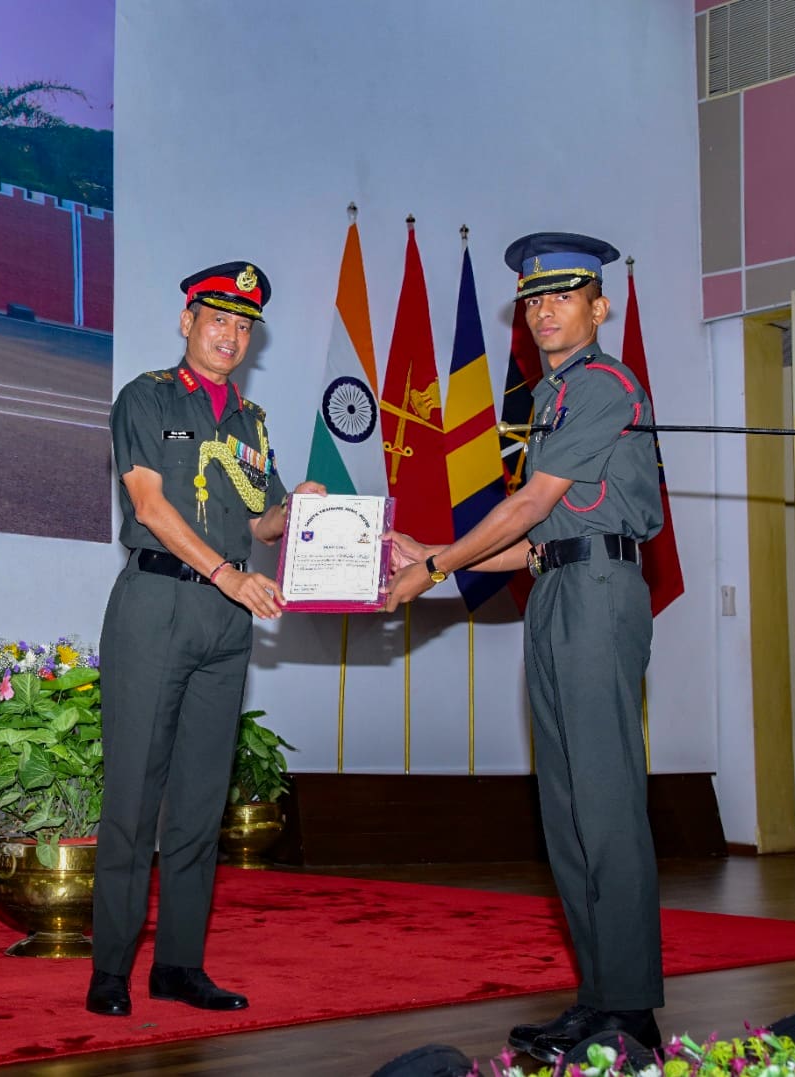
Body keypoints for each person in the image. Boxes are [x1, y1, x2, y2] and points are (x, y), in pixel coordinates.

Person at [383, 233, 665, 1062]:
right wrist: (431, 551)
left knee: (605, 802)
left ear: (598, 307)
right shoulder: (553, 395)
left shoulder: (603, 383)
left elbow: (532, 502)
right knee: (567, 808)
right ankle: (599, 997)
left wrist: (435, 566)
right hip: (558, 585)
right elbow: (539, 537)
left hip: (599, 594)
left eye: (563, 296)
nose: (544, 311)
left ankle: (632, 1011)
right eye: (534, 299)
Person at [86, 261, 325, 1018]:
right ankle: (110, 969)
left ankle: (179, 965)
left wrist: (297, 510)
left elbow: (260, 520)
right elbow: (150, 506)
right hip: (157, 603)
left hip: (226, 621)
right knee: (134, 796)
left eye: (243, 325)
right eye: (218, 319)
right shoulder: (148, 396)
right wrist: (227, 572)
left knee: (198, 802)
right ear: (187, 321)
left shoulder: (252, 422)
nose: (230, 335)